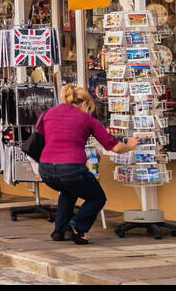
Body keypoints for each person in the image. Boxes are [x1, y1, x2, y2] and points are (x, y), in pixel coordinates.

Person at [38, 84, 140, 244]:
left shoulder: (48, 113)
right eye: (89, 108)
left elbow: (41, 134)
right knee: (97, 197)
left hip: (45, 169)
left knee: (68, 191)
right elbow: (115, 147)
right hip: (71, 167)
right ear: (85, 104)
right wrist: (131, 145)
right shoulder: (86, 118)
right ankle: (77, 227)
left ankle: (60, 230)